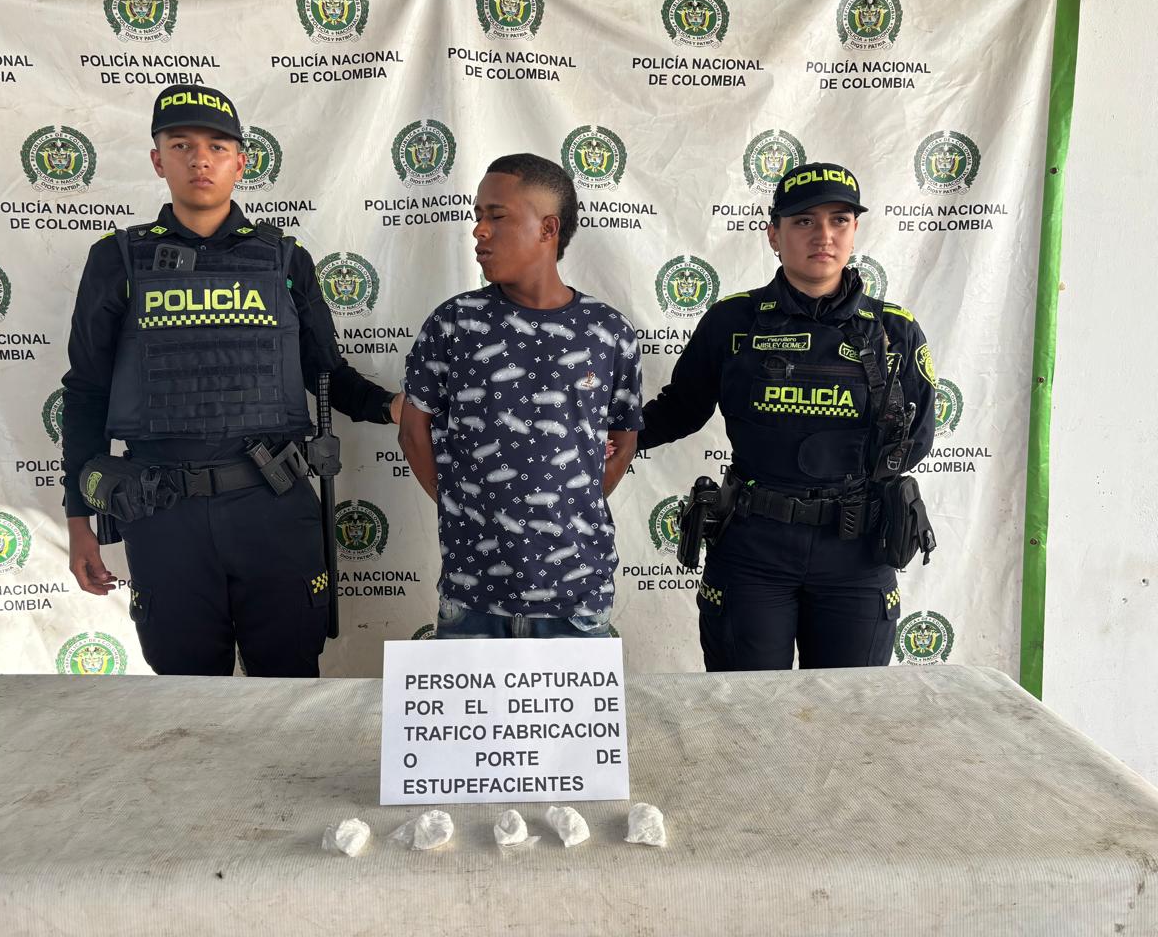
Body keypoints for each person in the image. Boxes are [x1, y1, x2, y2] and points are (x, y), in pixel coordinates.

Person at [62, 84, 403, 677]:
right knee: (188, 699)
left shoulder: (285, 259)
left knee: (290, 694)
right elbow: (86, 392)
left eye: (217, 147)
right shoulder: (117, 259)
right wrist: (78, 522)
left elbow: (326, 376)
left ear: (241, 162)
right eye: (181, 145)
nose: (200, 159)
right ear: (157, 160)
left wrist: (396, 408)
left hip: (272, 508)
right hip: (162, 515)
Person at [637, 162, 936, 671]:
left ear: (855, 231)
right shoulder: (733, 321)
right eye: (803, 221)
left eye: (839, 220)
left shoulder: (894, 330)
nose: (824, 235)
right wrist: (599, 438)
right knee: (748, 708)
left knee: (849, 710)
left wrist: (837, 467)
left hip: (857, 553)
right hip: (753, 548)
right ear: (774, 235)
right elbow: (680, 410)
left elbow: (918, 438)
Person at [399, 153, 642, 639]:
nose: (479, 231)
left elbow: (623, 441)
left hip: (577, 599)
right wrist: (466, 509)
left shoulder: (608, 332)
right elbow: (412, 431)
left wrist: (565, 507)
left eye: (496, 216)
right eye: (478, 216)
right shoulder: (454, 323)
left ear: (548, 228)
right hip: (472, 597)